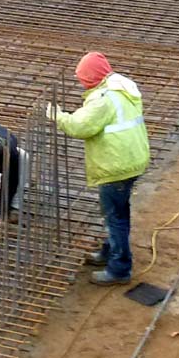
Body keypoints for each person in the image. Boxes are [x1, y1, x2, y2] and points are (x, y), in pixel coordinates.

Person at [52, 52, 151, 286]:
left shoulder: (104, 99)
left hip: (116, 165)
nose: (81, 82)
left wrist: (57, 115)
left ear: (91, 77)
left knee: (114, 217)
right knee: (118, 213)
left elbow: (79, 126)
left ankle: (119, 269)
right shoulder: (122, 88)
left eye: (83, 77)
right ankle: (109, 252)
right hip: (132, 159)